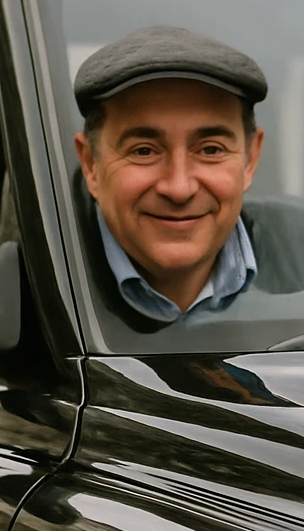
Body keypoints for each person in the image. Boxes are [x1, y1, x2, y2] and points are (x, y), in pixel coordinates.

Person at [73, 25, 267, 322]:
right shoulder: (4, 293)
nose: (179, 188)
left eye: (211, 150)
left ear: (250, 160)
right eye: (144, 151)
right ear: (91, 165)